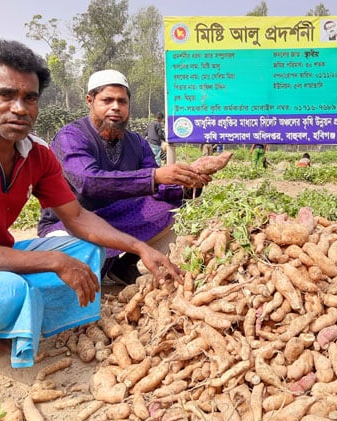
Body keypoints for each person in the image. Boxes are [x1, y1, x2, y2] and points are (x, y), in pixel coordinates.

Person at [0, 41, 183, 393]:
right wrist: (53, 260)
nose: (19, 109)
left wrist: (139, 247)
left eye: (30, 98)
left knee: (87, 250)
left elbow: (77, 216)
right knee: (6, 291)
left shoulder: (36, 151)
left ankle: (4, 326)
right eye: (5, 95)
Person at [38, 70, 210, 285]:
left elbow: (159, 187)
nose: (116, 107)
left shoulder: (137, 142)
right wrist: (155, 175)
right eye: (107, 100)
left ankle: (122, 266)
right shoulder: (71, 137)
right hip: (71, 223)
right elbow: (88, 182)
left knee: (174, 209)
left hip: (119, 216)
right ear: (90, 101)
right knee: (79, 275)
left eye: (122, 101)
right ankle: (104, 266)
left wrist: (188, 182)